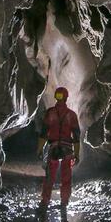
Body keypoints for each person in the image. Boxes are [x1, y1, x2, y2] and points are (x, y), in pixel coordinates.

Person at [37, 86, 81, 214]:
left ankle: (45, 201)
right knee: (66, 177)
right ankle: (64, 201)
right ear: (67, 97)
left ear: (56, 97)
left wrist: (39, 149)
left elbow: (44, 133)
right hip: (67, 149)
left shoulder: (50, 113)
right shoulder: (71, 115)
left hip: (53, 148)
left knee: (49, 176)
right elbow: (76, 137)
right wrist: (76, 154)